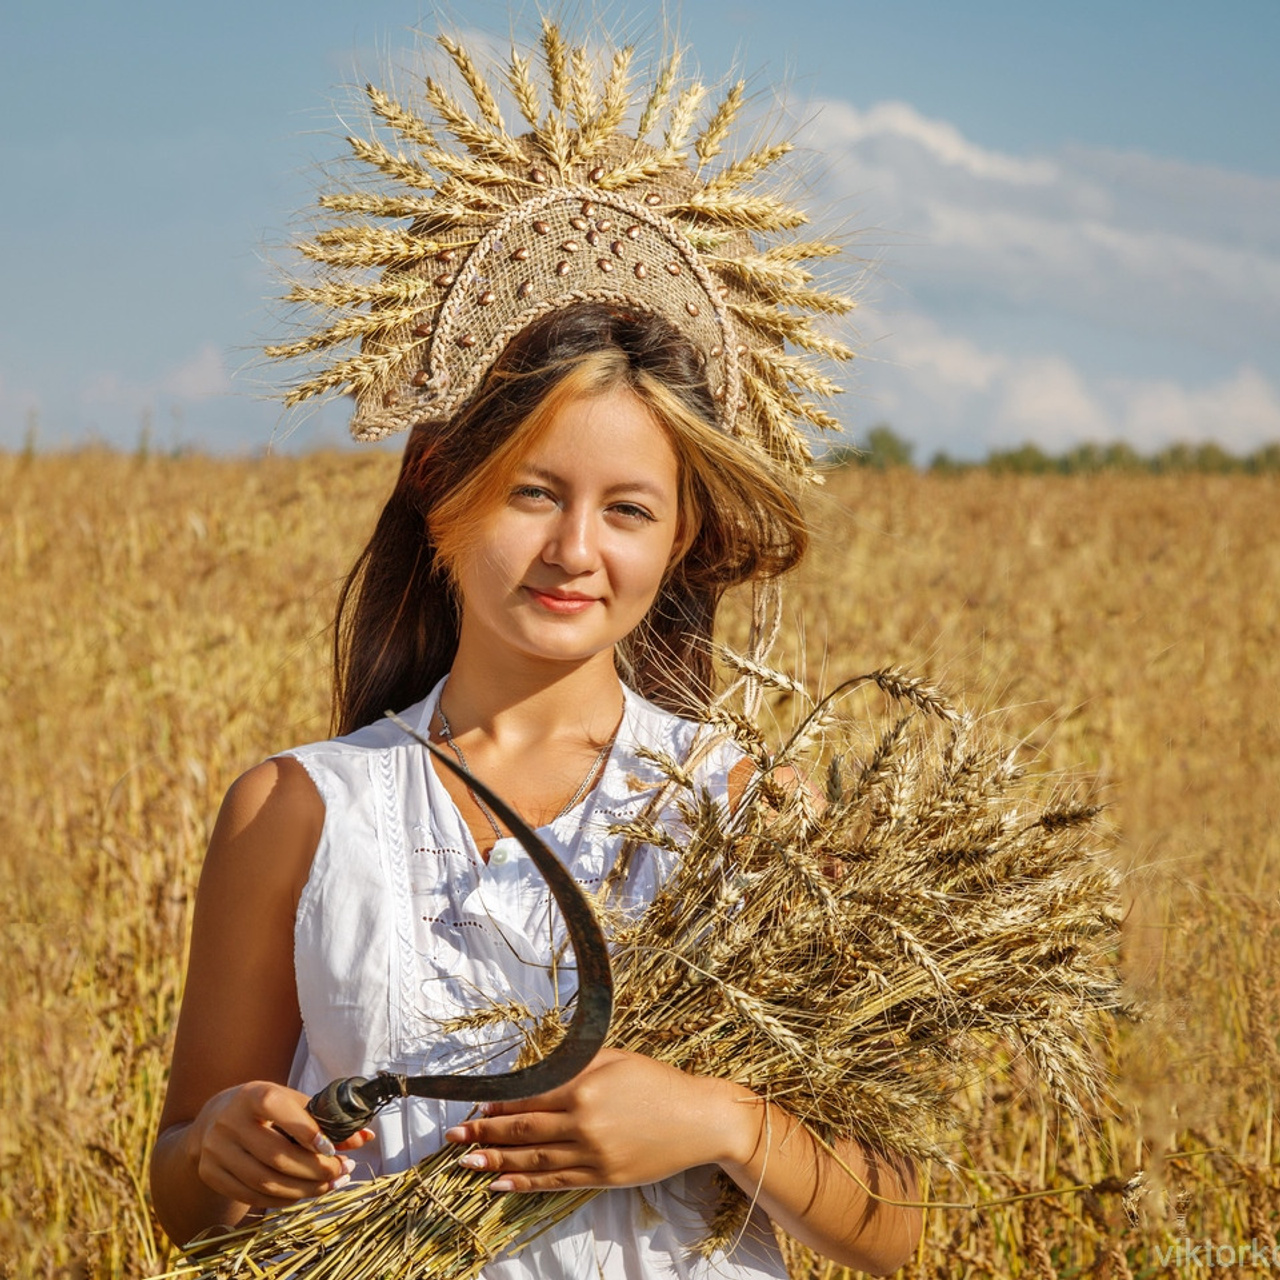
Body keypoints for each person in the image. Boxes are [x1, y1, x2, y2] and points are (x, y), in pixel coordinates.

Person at [150, 28, 922, 1278]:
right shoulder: (296, 809)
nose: (574, 548)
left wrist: (716, 1118)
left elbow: (895, 1223)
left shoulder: (754, 816)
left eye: (627, 508)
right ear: (435, 485)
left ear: (681, 539)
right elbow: (183, 1199)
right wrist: (224, 1146)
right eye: (529, 492)